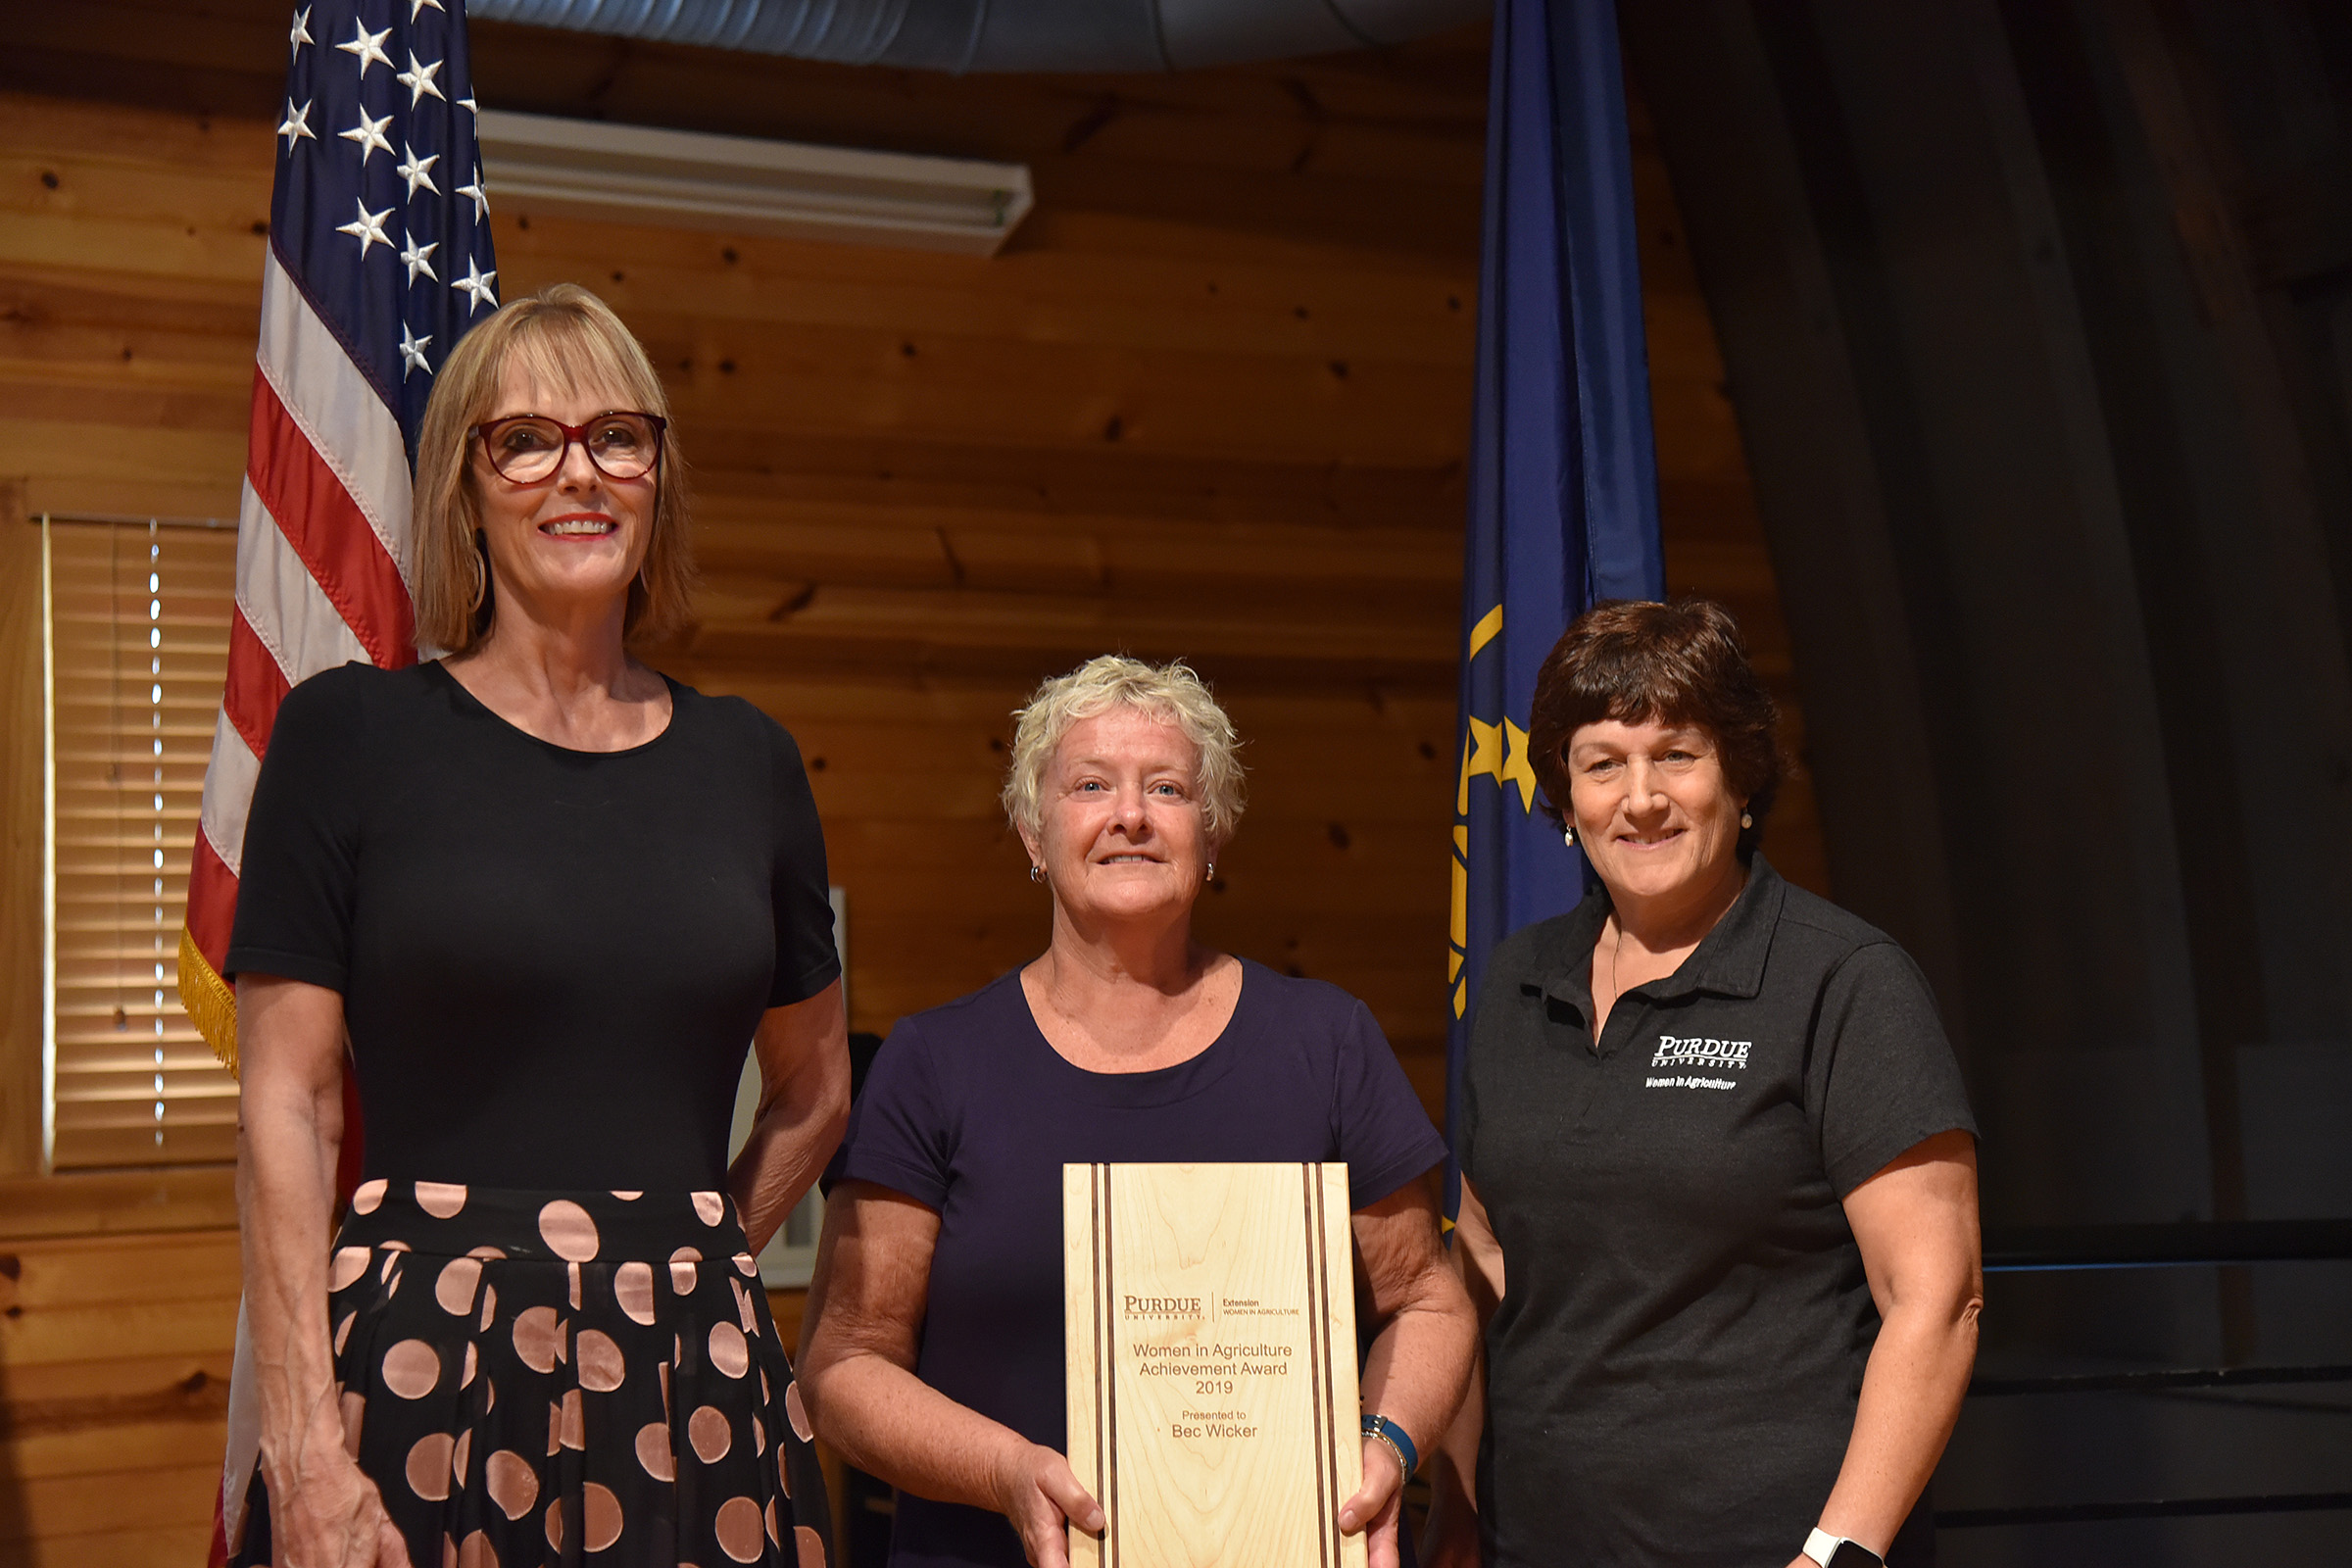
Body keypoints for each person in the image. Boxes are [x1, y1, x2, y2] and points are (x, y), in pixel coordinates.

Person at [228, 284, 846, 1568]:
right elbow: (288, 1104)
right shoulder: (348, 738)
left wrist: (693, 1261)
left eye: (618, 435)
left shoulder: (752, 763)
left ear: (657, 478)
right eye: (527, 439)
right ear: (467, 481)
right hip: (418, 1367)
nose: (580, 472)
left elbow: (815, 1090)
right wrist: (299, 1439)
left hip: (697, 1390)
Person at [796, 655, 1476, 1568]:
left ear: (1213, 836)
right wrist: (1004, 1470)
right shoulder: (934, 1063)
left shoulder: (1326, 1043)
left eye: (1168, 788)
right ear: (1034, 835)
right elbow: (844, 1366)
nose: (1131, 815)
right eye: (1090, 785)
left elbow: (1427, 1300)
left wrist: (1384, 1444)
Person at [1425, 599, 1982, 1568]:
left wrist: (1835, 1554)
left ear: (1743, 776)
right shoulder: (1514, 983)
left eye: (1677, 754)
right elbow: (1481, 1273)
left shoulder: (1844, 981)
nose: (1641, 797)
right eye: (1603, 762)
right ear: (1564, 790)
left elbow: (1935, 1298)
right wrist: (1456, 1523)